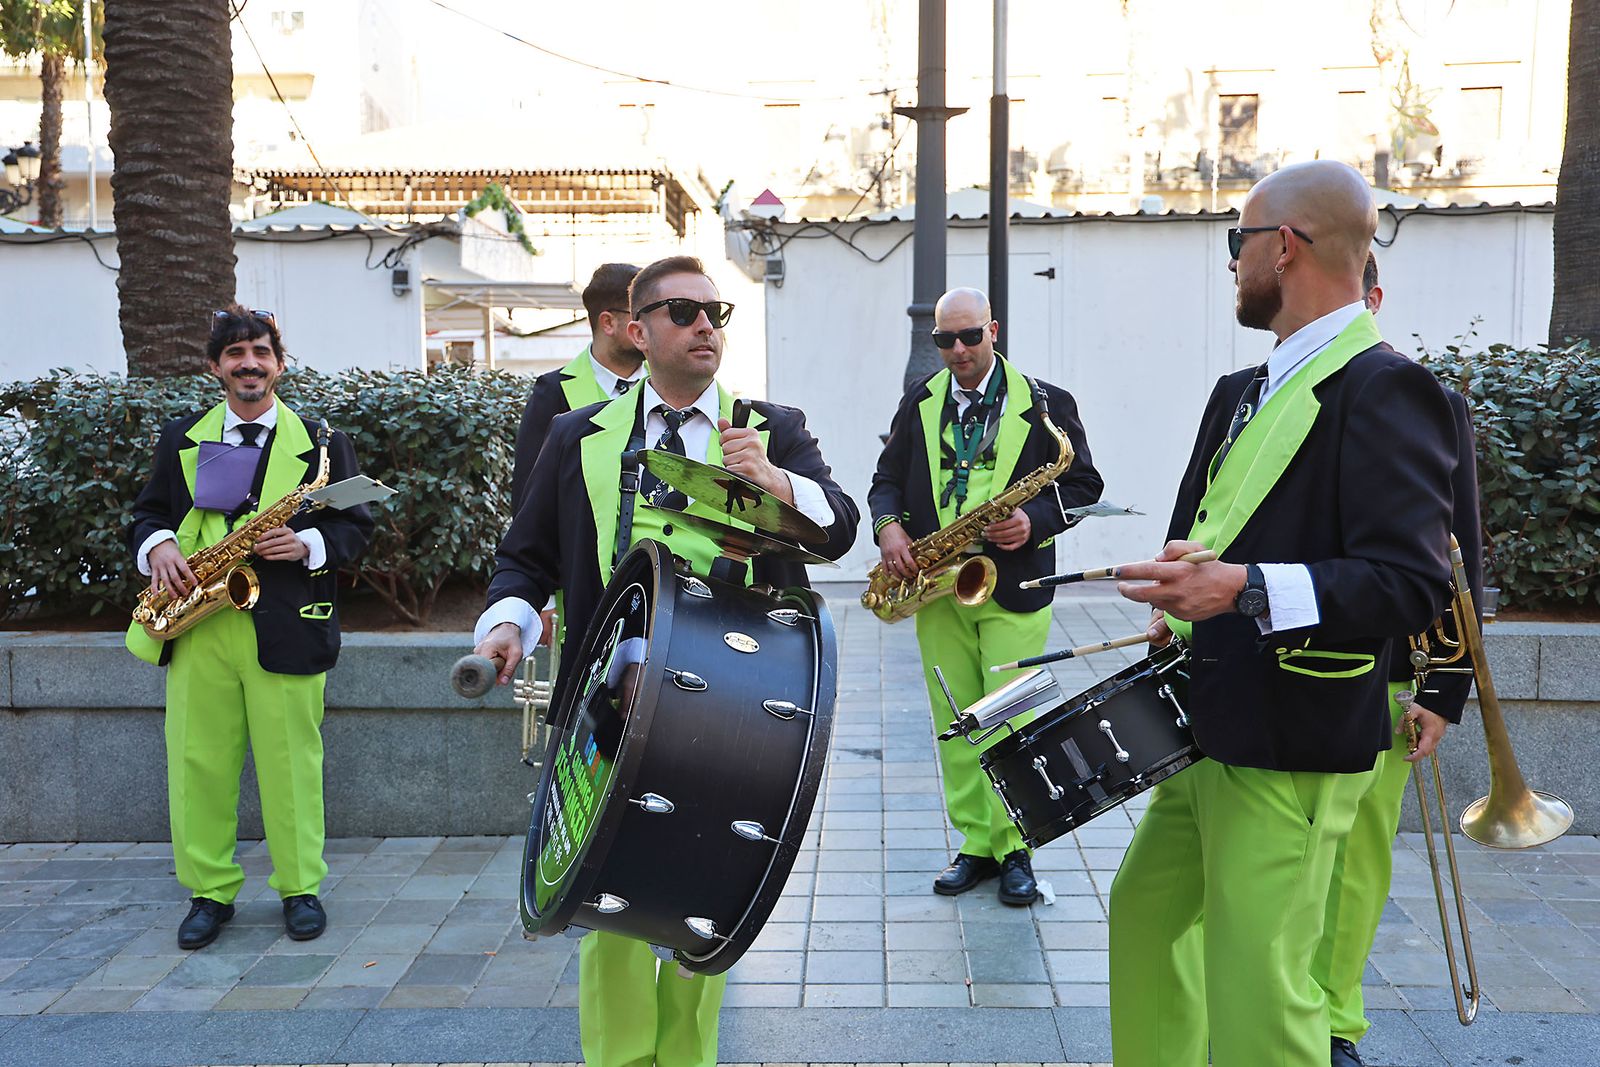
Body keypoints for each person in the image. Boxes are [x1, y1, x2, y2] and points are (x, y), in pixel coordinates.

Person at [1106, 161, 1458, 1067]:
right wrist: (1184, 596)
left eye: (1239, 242)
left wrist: (1241, 589)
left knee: (1261, 987)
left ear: (1286, 248)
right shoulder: (1246, 388)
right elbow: (1214, 531)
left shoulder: (1387, 387)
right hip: (1206, 722)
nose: (1233, 263)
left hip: (1293, 740)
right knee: (1145, 918)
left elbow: (1409, 584)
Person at [473, 255, 859, 1067]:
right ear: (635, 329)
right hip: (607, 698)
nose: (704, 325)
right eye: (681, 312)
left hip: (738, 705)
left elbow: (841, 526)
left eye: (715, 311)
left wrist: (775, 481)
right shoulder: (580, 433)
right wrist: (508, 624)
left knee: (703, 889)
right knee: (599, 900)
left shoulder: (770, 425)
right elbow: (526, 556)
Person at [126, 306, 373, 950]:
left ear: (279, 364)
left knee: (293, 765)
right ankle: (208, 894)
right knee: (197, 763)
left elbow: (360, 525)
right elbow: (147, 513)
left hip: (287, 623)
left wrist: (311, 543)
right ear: (216, 368)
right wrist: (158, 548)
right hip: (199, 622)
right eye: (235, 354)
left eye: (260, 351)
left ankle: (300, 889)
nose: (249, 364)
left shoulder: (323, 444)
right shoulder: (182, 436)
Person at [868, 287, 1102, 906]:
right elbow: (886, 481)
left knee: (1009, 713)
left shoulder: (1047, 403)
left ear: (993, 331)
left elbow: (1083, 484)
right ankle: (975, 843)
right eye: (945, 340)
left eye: (970, 336)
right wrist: (889, 528)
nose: (959, 350)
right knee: (955, 718)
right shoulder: (920, 401)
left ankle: (1016, 845)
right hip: (941, 582)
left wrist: (1036, 521)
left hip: (1015, 579)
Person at [1313, 252, 1484, 1067]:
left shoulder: (1428, 400)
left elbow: (1460, 553)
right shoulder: (1260, 392)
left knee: (1355, 862)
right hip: (1281, 673)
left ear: (1373, 298)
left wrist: (1446, 691)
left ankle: (1336, 1020)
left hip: (1385, 676)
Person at [508, 262, 647, 514]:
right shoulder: (552, 392)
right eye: (641, 315)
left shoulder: (667, 389)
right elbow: (528, 502)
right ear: (608, 322)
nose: (652, 326)